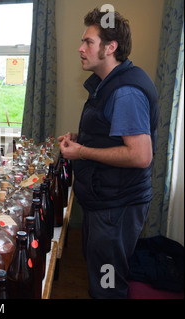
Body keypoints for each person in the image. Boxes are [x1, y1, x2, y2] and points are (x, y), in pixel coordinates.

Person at [58, 8, 159, 298]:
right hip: (105, 202)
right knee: (101, 277)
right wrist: (83, 139)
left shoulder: (125, 91)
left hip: (116, 206)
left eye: (88, 42)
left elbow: (140, 156)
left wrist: (82, 152)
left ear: (110, 47)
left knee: (107, 286)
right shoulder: (108, 84)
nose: (80, 48)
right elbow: (110, 132)